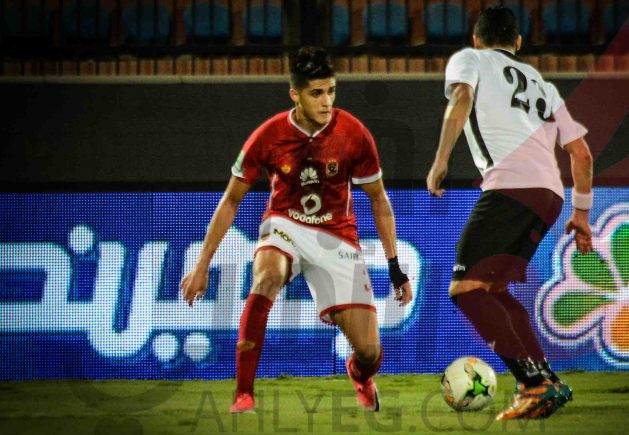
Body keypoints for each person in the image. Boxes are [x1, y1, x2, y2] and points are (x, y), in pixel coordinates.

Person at [180, 46, 413, 414]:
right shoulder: (269, 135)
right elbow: (231, 200)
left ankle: (359, 373)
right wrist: (202, 264)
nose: (326, 101)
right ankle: (244, 394)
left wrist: (395, 268)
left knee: (370, 351)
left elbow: (379, 200)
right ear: (295, 94)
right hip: (285, 225)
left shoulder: (354, 133)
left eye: (331, 91)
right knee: (267, 277)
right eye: (316, 93)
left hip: (336, 236)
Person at [426, 6, 594, 420]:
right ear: (518, 43)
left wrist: (441, 159)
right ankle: (547, 380)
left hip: (510, 186)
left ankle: (532, 383)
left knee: (466, 290)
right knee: (494, 290)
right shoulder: (542, 84)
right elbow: (582, 154)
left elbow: (462, 97)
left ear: (477, 39)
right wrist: (582, 214)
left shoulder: (469, 58)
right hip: (550, 195)